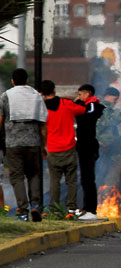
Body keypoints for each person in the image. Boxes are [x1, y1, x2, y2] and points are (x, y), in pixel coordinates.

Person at [0, 68, 47, 221]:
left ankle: (22, 210)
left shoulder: (6, 96)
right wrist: (43, 146)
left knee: (17, 176)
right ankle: (35, 205)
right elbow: (43, 126)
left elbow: (0, 121)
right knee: (33, 174)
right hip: (33, 143)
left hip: (13, 143)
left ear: (12, 81)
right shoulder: (36, 96)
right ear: (27, 80)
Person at [39, 79, 85, 218]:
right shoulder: (66, 104)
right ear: (54, 90)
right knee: (71, 180)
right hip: (69, 148)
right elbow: (82, 110)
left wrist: (43, 147)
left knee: (54, 181)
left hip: (52, 149)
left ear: (41, 93)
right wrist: (78, 100)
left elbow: (42, 130)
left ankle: (54, 208)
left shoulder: (42, 109)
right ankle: (71, 208)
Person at [74, 84, 103, 219]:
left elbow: (86, 116)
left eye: (80, 95)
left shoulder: (93, 106)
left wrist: (78, 105)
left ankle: (91, 209)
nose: (78, 97)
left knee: (89, 178)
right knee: (85, 178)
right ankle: (86, 207)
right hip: (83, 145)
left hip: (89, 146)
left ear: (87, 94)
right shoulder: (87, 106)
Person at [94, 87, 121, 191]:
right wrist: (99, 142)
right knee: (100, 172)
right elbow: (98, 127)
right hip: (102, 147)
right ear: (109, 96)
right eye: (114, 99)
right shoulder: (104, 109)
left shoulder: (107, 109)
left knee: (104, 172)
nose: (115, 101)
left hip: (107, 146)